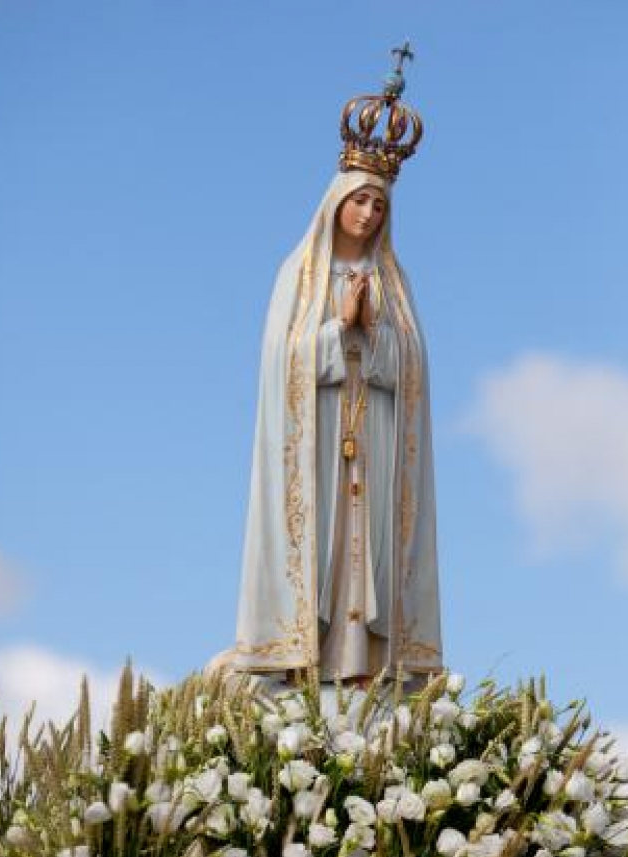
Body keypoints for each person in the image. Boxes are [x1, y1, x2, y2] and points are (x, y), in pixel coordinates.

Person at [231, 48, 441, 684]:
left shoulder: (394, 285)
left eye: (379, 206)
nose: (368, 215)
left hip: (372, 437)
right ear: (336, 203)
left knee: (366, 548)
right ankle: (301, 658)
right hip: (318, 439)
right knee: (322, 545)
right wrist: (336, 329)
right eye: (360, 202)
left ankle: (360, 668)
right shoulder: (299, 275)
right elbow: (280, 362)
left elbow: (411, 368)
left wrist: (374, 340)